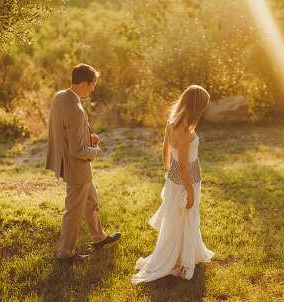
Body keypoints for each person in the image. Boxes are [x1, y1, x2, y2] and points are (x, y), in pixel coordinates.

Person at [132, 85, 214, 284]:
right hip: (187, 179)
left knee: (177, 219)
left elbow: (165, 150)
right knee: (185, 218)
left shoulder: (172, 121)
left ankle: (187, 254)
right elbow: (185, 166)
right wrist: (190, 193)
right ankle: (181, 261)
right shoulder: (185, 129)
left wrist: (169, 170)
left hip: (174, 177)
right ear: (197, 107)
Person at [45, 63, 121, 261]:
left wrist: (89, 138)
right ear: (85, 83)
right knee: (73, 212)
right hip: (77, 169)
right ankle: (65, 253)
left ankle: (99, 237)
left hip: (68, 163)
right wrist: (95, 150)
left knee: (91, 201)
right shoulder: (77, 109)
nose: (94, 88)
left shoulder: (60, 96)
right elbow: (77, 150)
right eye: (93, 84)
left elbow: (67, 132)